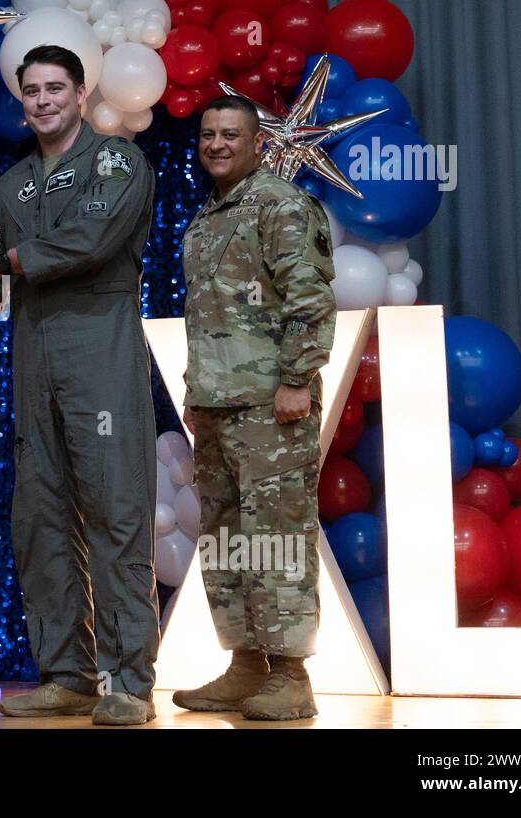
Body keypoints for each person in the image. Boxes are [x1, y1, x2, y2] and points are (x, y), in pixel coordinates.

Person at [0, 44, 161, 726]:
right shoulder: (9, 186)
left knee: (116, 513)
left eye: (54, 88)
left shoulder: (116, 161)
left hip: (98, 353)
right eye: (32, 91)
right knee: (39, 521)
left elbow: (91, 239)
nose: (42, 100)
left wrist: (5, 259)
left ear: (79, 95)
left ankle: (128, 681)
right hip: (32, 361)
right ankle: (67, 675)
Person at [171, 95, 336, 721]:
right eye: (209, 133)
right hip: (216, 409)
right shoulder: (209, 217)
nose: (217, 143)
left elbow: (311, 299)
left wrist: (297, 379)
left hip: (272, 408)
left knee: (277, 540)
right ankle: (245, 667)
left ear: (257, 141)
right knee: (228, 542)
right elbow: (207, 318)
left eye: (230, 134)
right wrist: (195, 396)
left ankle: (291, 678)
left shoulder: (280, 205)